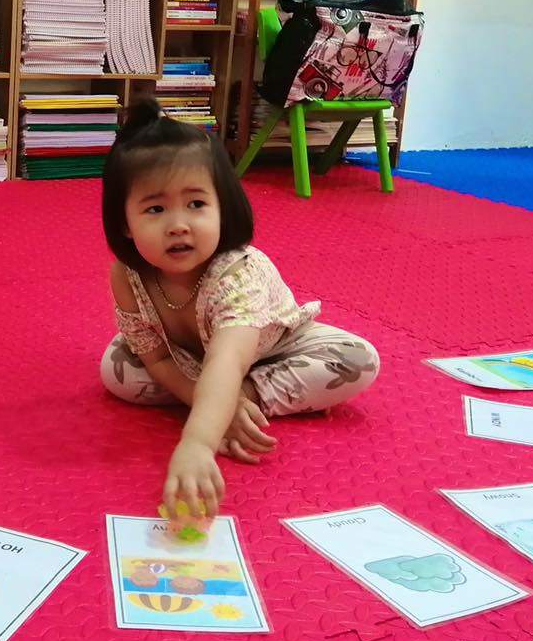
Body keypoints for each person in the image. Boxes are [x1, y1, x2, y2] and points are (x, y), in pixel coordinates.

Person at [98, 98, 380, 519]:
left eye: (196, 204)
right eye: (155, 209)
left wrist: (198, 442)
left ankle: (234, 398)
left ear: (222, 207)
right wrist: (211, 402)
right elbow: (156, 357)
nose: (179, 225)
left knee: (358, 360)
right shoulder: (127, 275)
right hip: (190, 359)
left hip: (274, 348)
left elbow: (228, 360)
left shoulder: (236, 273)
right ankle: (219, 401)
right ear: (125, 223)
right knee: (116, 369)